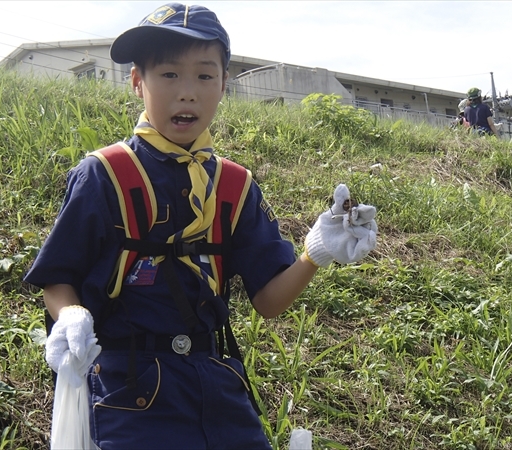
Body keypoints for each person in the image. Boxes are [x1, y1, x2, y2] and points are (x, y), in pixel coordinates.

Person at [23, 3, 378, 449]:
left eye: (205, 76)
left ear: (224, 84)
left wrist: (315, 254)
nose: (187, 92)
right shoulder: (105, 174)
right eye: (169, 75)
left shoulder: (235, 186)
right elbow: (57, 277)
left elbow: (268, 302)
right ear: (138, 82)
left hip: (219, 384)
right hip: (128, 386)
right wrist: (71, 315)